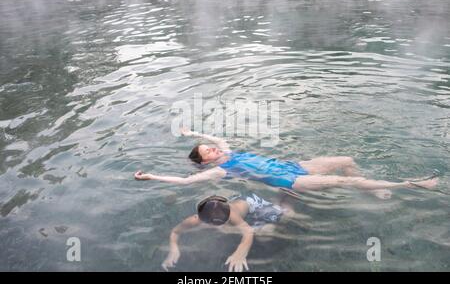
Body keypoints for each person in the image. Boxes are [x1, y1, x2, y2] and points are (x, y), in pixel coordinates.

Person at [135, 128, 438, 199]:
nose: (213, 148)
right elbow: (187, 182)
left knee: (347, 160)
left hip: (296, 165)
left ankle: (373, 192)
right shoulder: (223, 169)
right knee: (349, 182)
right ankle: (413, 183)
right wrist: (151, 176)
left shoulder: (229, 151)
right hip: (291, 181)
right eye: (207, 150)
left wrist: (193, 133)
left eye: (210, 147)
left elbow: (217, 136)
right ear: (206, 161)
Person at [161, 193, 291, 272]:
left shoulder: (231, 216)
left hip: (252, 204)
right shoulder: (195, 220)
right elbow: (175, 232)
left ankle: (284, 196)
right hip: (234, 203)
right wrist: (173, 248)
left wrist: (240, 253)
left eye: (223, 222)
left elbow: (248, 231)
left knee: (283, 218)